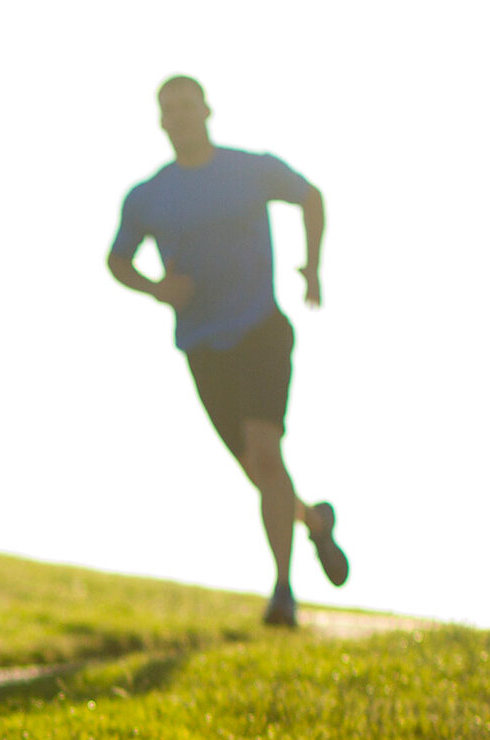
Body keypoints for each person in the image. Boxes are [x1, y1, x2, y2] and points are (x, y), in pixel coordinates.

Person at [108, 75, 347, 628]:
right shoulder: (148, 196)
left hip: (260, 327)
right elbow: (117, 260)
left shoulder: (248, 169)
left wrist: (313, 266)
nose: (182, 116)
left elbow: (310, 197)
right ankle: (312, 521)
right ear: (162, 122)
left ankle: (283, 593)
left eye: (189, 105)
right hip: (201, 344)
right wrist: (155, 289)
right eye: (171, 110)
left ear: (207, 110)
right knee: (260, 470)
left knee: (265, 455)